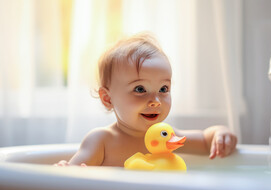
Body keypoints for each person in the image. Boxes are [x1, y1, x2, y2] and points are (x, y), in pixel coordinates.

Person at [55, 33, 237, 167]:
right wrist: (65, 170)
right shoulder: (102, 140)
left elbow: (205, 142)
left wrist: (220, 134)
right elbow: (73, 176)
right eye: (140, 89)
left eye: (163, 89)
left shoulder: (166, 136)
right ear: (107, 98)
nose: (155, 100)